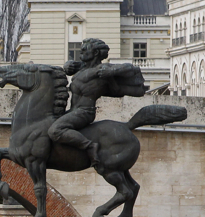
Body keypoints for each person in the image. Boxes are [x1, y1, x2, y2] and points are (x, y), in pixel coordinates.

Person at [52, 38, 143, 172]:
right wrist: (67, 66)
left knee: (55, 130)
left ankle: (89, 146)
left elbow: (131, 68)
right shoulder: (83, 69)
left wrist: (112, 72)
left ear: (95, 53)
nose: (81, 51)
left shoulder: (103, 69)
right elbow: (71, 68)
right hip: (73, 111)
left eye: (85, 49)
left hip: (84, 112)